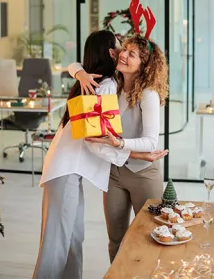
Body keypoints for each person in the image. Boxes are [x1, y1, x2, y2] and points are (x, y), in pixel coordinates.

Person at [34, 31, 166, 279]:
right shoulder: (106, 86)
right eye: (120, 48)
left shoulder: (103, 82)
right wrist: (133, 156)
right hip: (68, 168)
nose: (121, 53)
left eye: (128, 51)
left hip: (69, 169)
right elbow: (95, 140)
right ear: (109, 53)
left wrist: (79, 72)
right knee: (57, 244)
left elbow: (105, 139)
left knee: (73, 240)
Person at [73, 35, 170, 261]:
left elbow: (151, 142)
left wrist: (119, 143)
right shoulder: (112, 86)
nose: (123, 55)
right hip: (114, 172)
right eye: (124, 49)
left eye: (132, 54)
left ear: (144, 65)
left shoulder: (148, 94)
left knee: (151, 236)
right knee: (116, 239)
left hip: (144, 173)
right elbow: (75, 65)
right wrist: (80, 73)